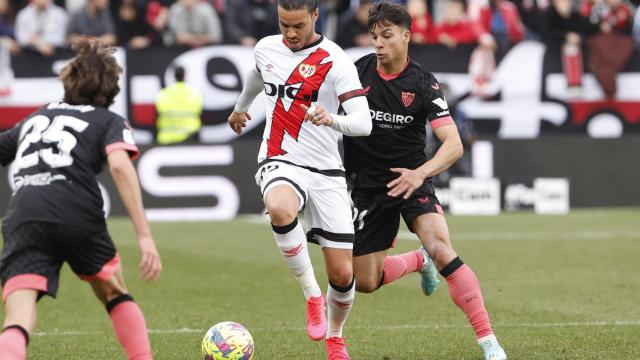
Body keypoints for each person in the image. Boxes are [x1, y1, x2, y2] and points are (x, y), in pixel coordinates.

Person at [343, 3, 507, 360]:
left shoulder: (423, 83)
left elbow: (454, 144)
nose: (379, 44)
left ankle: (489, 342)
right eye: (374, 37)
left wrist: (420, 173)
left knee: (442, 248)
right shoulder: (356, 73)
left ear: (406, 35)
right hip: (369, 187)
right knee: (366, 282)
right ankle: (417, 261)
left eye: (387, 36)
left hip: (413, 180)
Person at [0, 39, 162, 360]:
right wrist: (144, 236)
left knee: (17, 317)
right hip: (78, 215)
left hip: (25, 217)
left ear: (68, 80)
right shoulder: (109, 121)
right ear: (112, 89)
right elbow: (119, 164)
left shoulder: (37, 117)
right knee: (115, 292)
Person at [227, 1, 371, 358]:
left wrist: (331, 119)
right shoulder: (266, 48)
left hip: (326, 171)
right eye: (283, 25)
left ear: (315, 17)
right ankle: (312, 296)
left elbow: (363, 123)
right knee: (278, 206)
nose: (290, 34)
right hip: (280, 158)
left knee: (342, 274)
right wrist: (241, 107)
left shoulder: (336, 61)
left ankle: (336, 338)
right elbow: (258, 75)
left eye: (298, 26)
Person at [155, 66, 202, 144]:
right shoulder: (194, 93)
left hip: (166, 138)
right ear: (184, 76)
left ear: (174, 76)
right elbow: (199, 112)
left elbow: (157, 112)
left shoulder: (164, 93)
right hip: (189, 137)